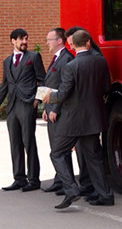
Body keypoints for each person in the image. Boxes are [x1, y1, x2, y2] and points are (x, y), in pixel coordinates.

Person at [42, 28, 114, 209]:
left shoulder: (71, 66)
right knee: (94, 157)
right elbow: (107, 88)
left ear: (73, 44)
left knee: (57, 153)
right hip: (94, 118)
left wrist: (49, 97)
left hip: (73, 119)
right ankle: (105, 195)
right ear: (88, 43)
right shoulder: (101, 61)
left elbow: (63, 94)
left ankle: (71, 189)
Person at [0, 28, 46, 192]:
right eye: (21, 39)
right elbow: (4, 86)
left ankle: (34, 180)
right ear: (13, 41)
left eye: (26, 39)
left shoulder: (34, 57)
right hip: (12, 107)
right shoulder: (7, 62)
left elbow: (43, 80)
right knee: (15, 143)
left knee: (29, 142)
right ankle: (19, 179)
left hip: (27, 105)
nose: (25, 42)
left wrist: (37, 100)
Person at [64, 25, 104, 198]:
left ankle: (97, 189)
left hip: (82, 116)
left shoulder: (76, 63)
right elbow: (106, 87)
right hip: (93, 114)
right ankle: (93, 188)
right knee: (89, 154)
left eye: (72, 43)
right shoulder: (98, 59)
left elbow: (67, 92)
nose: (71, 47)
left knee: (90, 155)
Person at [40, 27, 74, 194]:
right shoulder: (57, 58)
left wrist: (55, 108)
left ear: (59, 41)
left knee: (61, 150)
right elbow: (51, 85)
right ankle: (60, 180)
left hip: (60, 111)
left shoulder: (66, 58)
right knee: (55, 147)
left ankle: (67, 184)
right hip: (51, 108)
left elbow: (64, 87)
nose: (47, 43)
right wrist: (46, 108)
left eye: (49, 40)